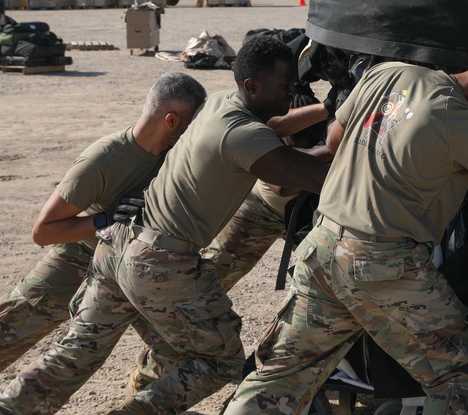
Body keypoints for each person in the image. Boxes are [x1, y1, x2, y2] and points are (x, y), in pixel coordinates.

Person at [0, 35, 330, 415]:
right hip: (157, 261)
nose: (293, 93)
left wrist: (328, 109)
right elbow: (300, 175)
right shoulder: (241, 136)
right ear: (253, 87)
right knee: (220, 360)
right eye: (286, 86)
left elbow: (272, 122)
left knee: (76, 353)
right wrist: (348, 136)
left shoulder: (223, 102)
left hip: (116, 248)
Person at [223, 53, 468, 415]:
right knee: (457, 364)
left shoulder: (387, 73)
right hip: (380, 260)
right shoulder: (460, 119)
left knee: (283, 374)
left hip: (323, 245)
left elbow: (334, 139)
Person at [127, 88, 330, 394]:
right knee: (197, 298)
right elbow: (280, 181)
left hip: (309, 215)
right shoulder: (268, 122)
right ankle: (150, 379)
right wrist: (330, 124)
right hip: (258, 211)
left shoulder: (347, 120)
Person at [0, 72, 206, 372]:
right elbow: (43, 232)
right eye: (192, 123)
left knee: (178, 348)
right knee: (10, 331)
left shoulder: (176, 155)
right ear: (172, 121)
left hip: (137, 267)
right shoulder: (104, 160)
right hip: (78, 260)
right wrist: (105, 219)